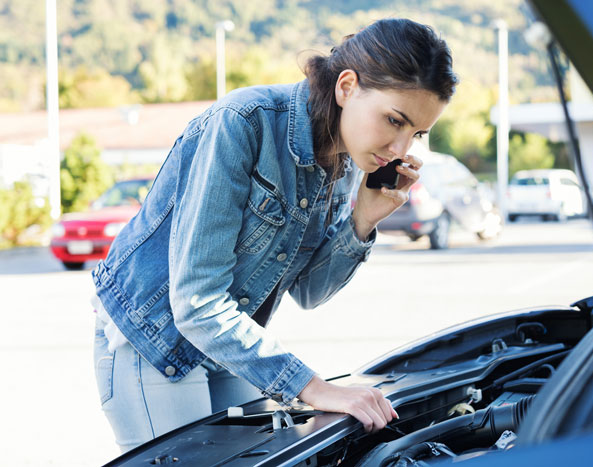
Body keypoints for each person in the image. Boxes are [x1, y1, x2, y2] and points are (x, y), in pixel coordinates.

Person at [92, 17, 458, 452]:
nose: (401, 150)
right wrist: (313, 386)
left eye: (415, 133)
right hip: (155, 339)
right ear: (346, 87)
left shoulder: (346, 161)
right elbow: (194, 301)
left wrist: (363, 221)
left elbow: (307, 292)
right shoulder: (242, 123)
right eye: (394, 120)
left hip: (229, 339)